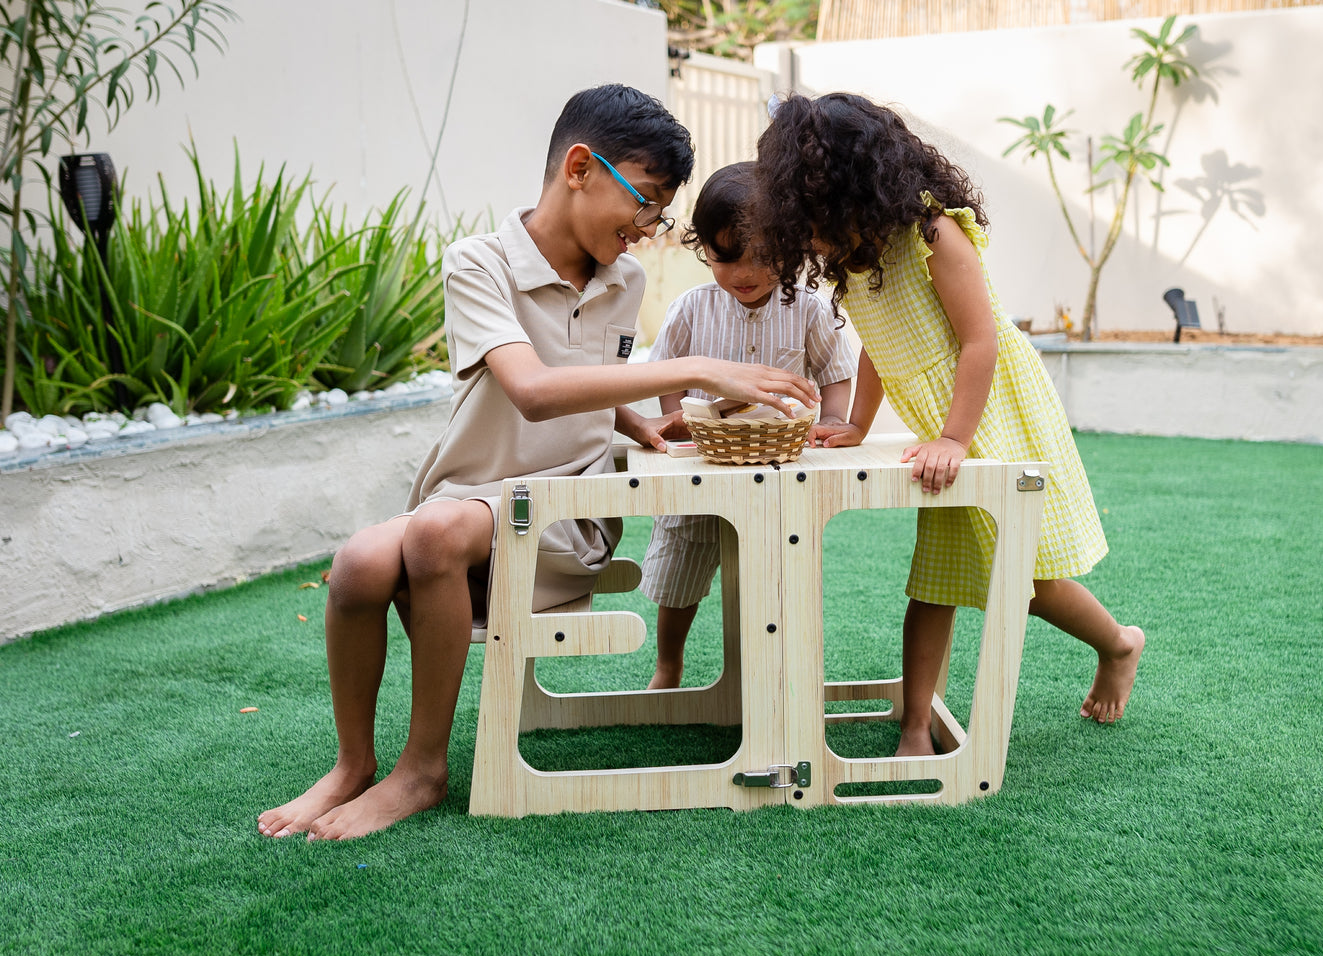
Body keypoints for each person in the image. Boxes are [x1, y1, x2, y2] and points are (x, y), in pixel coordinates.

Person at [257, 85, 819, 840]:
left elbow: (585, 371)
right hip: (471, 493)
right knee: (358, 561)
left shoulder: (623, 279)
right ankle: (354, 763)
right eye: (645, 203)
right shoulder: (478, 263)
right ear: (580, 168)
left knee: (431, 538)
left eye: (658, 214)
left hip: (564, 512)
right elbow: (532, 388)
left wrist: (639, 425)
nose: (648, 231)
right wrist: (700, 368)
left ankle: (421, 770)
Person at [750, 92, 1144, 756]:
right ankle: (913, 726)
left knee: (1027, 580)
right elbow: (882, 339)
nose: (811, 238)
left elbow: (978, 343)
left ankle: (1118, 643)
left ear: (859, 194)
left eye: (816, 219)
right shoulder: (860, 254)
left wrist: (956, 438)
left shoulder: (933, 232)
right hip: (948, 431)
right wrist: (852, 423)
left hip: (992, 416)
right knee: (932, 582)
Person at [638, 162, 857, 690]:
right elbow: (667, 368)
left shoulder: (809, 308)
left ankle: (776, 673)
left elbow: (836, 371)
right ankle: (669, 665)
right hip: (703, 467)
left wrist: (831, 419)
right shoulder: (693, 307)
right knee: (679, 574)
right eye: (724, 258)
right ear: (703, 251)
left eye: (763, 257)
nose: (743, 273)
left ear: (794, 247)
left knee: (775, 572)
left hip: (777, 465)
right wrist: (676, 415)